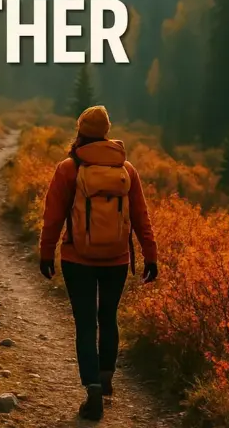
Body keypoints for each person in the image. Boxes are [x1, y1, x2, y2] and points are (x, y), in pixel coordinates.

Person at [38, 105, 158, 421]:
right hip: (117, 258)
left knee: (85, 323)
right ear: (106, 132)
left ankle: (92, 388)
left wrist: (46, 252)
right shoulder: (126, 169)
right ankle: (105, 377)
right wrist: (151, 255)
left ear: (80, 131)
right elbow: (141, 216)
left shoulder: (69, 168)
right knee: (108, 317)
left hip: (77, 257)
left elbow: (53, 216)